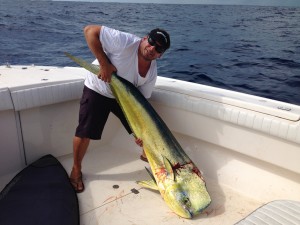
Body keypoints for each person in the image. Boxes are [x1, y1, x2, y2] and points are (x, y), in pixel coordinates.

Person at [69, 25, 170, 193]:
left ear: (161, 55)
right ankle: (76, 170)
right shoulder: (125, 42)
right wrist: (104, 64)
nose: (152, 48)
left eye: (159, 48)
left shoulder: (151, 74)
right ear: (145, 38)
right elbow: (89, 31)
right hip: (99, 88)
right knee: (85, 132)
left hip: (123, 98)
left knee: (145, 131)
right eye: (152, 42)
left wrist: (139, 133)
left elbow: (140, 107)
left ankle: (147, 154)